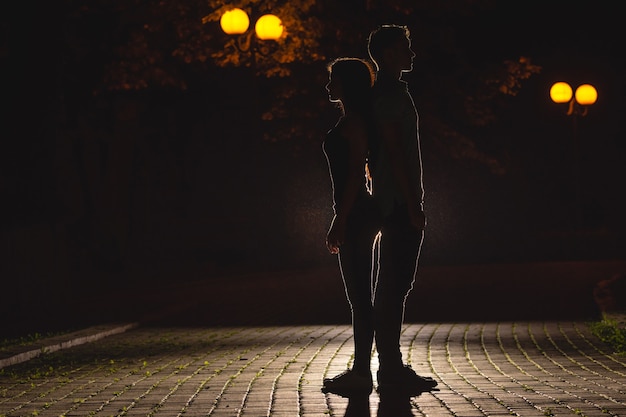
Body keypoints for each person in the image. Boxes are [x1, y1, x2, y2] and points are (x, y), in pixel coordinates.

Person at [366, 24, 437, 394]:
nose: (412, 53)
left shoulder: (389, 93)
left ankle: (390, 365)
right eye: (406, 47)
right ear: (390, 52)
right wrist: (413, 203)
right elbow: (395, 153)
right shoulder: (390, 96)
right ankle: (390, 368)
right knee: (394, 286)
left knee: (394, 286)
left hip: (393, 200)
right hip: (396, 202)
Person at [320, 57, 381, 396]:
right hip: (355, 212)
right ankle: (362, 369)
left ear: (347, 84)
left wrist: (339, 219)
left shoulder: (355, 122)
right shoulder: (350, 119)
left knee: (360, 296)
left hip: (357, 213)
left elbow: (357, 172)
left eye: (334, 79)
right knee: (358, 295)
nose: (329, 85)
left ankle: (362, 372)